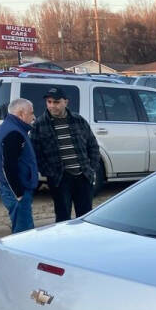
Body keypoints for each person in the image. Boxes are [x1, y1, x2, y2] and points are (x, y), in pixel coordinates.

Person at [31, 86, 100, 222]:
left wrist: (91, 168)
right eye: (49, 102)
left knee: (85, 217)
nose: (52, 106)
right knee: (63, 218)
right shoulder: (39, 124)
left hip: (83, 176)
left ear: (65, 102)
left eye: (56, 102)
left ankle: (85, 242)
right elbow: (36, 153)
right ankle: (64, 242)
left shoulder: (78, 120)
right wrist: (49, 172)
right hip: (59, 179)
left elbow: (93, 146)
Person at [0, 98, 38, 233]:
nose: (34, 117)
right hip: (17, 192)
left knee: (22, 231)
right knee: (24, 233)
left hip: (15, 190)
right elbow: (8, 166)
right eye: (31, 113)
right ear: (20, 113)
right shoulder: (14, 132)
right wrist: (19, 194)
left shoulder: (11, 128)